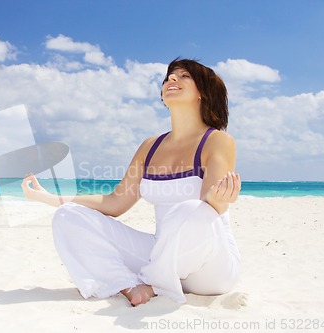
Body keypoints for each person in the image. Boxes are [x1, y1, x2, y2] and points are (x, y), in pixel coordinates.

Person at [21, 58, 241, 307]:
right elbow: (115, 202)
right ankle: (128, 285)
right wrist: (50, 198)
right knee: (68, 216)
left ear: (202, 92)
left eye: (184, 76)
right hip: (160, 256)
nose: (172, 79)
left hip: (209, 266)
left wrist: (218, 200)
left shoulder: (217, 141)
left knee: (191, 209)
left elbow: (210, 210)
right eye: (169, 76)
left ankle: (154, 284)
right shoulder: (150, 147)